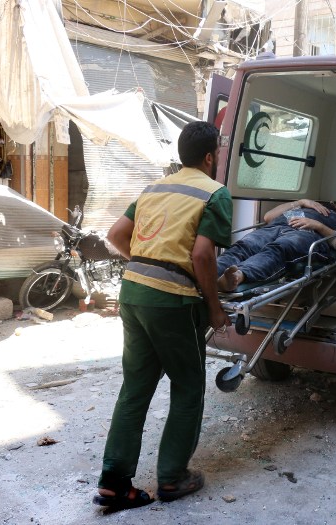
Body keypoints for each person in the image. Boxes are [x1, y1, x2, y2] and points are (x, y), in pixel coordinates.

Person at [93, 121, 233, 510]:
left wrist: (147, 265)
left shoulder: (155, 186)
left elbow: (116, 235)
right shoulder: (214, 193)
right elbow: (203, 255)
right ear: (210, 157)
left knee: (135, 387)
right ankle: (172, 478)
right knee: (188, 386)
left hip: (133, 292)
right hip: (172, 301)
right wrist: (215, 309)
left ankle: (114, 483)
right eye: (218, 153)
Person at [216, 199, 336, 292]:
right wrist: (302, 201)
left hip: (306, 234)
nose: (332, 202)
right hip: (274, 227)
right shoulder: (303, 206)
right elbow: (268, 217)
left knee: (278, 249)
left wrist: (318, 225)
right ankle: (211, 271)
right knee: (244, 245)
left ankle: (237, 276)